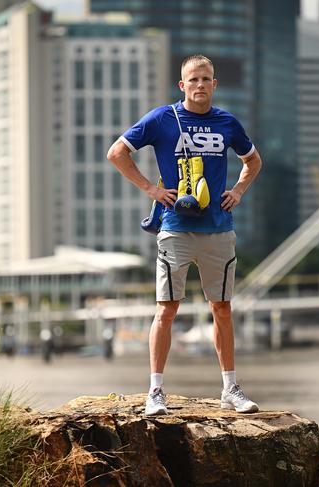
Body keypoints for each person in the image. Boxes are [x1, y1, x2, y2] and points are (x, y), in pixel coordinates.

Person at [107, 54, 263, 416]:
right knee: (166, 309)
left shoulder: (227, 122)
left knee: (221, 308)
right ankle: (156, 392)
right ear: (182, 85)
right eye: (193, 80)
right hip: (174, 229)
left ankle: (230, 389)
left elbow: (253, 160)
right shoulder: (163, 118)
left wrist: (238, 191)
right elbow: (117, 153)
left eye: (206, 79)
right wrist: (150, 189)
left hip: (218, 230)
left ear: (214, 84)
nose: (199, 85)